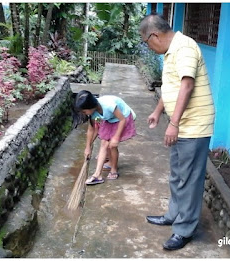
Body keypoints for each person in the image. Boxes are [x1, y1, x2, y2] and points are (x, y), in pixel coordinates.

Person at [139, 14, 215, 250]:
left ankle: (184, 230)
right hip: (183, 124)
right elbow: (171, 87)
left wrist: (174, 123)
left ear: (154, 36)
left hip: (193, 125)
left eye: (147, 43)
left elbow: (187, 85)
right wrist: (158, 110)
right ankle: (173, 214)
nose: (149, 48)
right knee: (177, 174)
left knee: (190, 179)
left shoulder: (185, 47)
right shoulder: (171, 51)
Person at [74, 90, 136, 185]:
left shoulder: (108, 105)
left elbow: (122, 119)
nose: (84, 113)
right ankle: (97, 175)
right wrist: (88, 147)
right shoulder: (93, 114)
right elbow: (92, 130)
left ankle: (114, 169)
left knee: (112, 145)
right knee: (104, 142)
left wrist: (116, 137)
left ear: (91, 106)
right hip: (108, 119)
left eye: (84, 111)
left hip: (122, 118)